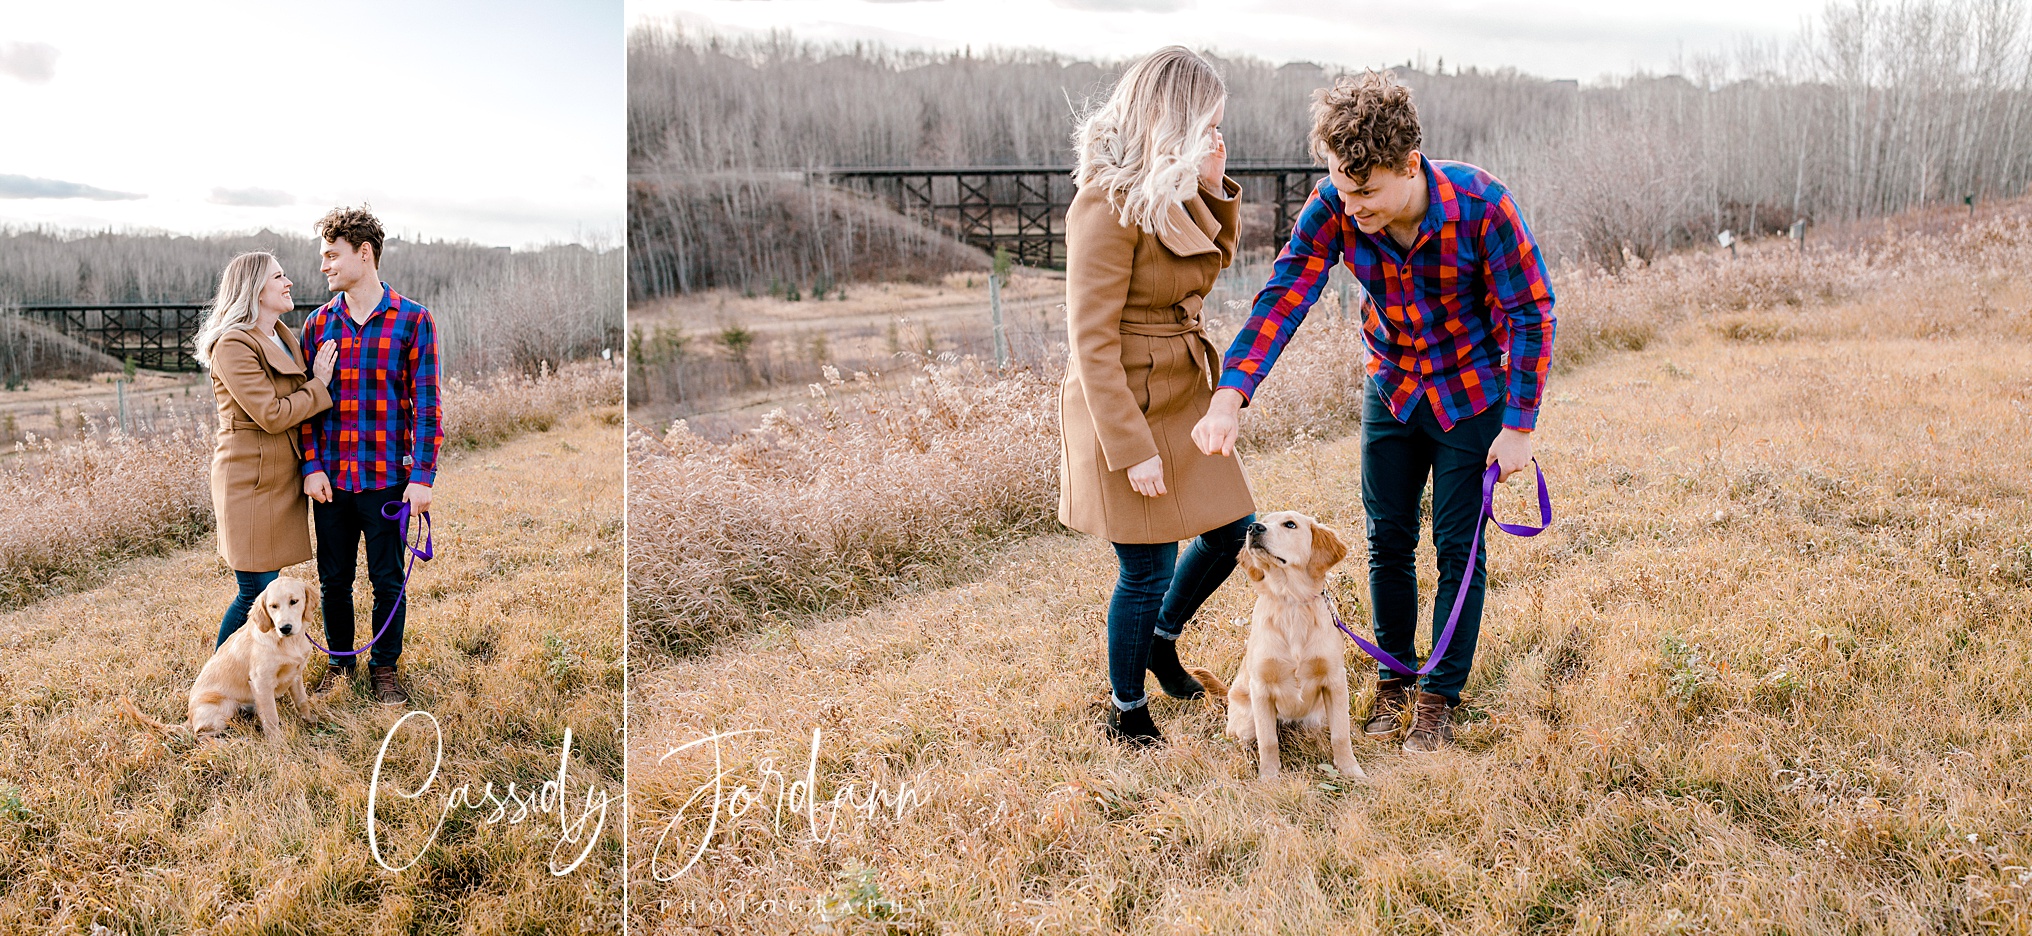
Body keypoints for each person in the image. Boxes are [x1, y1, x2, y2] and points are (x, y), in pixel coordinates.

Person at [1193, 70, 1557, 753]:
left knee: (1458, 551)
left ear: (1409, 166)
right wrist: (1230, 394)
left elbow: (1531, 314)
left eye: (1365, 190)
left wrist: (1519, 427)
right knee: (1387, 541)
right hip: (1391, 387)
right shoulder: (1334, 204)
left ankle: (1438, 700)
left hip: (1471, 398)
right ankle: (1392, 680)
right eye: (1338, 183)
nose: (1350, 204)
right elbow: (1284, 295)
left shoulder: (1483, 206)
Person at [1061, 46, 1256, 746]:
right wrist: (1131, 449)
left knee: (1232, 529)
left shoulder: (1171, 190)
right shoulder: (1104, 204)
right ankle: (1126, 710)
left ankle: (1162, 640)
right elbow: (1091, 340)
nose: (1216, 136)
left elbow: (1212, 262)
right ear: (1174, 119)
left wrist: (1213, 181)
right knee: (1146, 566)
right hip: (1125, 400)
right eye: (1208, 127)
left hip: (1183, 384)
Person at [299, 207, 442, 706]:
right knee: (333, 580)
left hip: (388, 480)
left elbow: (427, 406)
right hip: (333, 480)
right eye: (323, 257)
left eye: (332, 255)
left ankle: (385, 669)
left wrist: (422, 476)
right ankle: (341, 665)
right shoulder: (317, 325)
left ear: (365, 253)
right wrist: (311, 465)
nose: (324, 266)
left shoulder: (414, 320)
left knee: (386, 580)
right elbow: (308, 409)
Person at [195, 252, 337, 649]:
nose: (288, 282)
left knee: (266, 586)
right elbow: (271, 415)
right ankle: (220, 682)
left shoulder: (281, 335)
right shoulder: (233, 345)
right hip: (249, 480)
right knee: (254, 594)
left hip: (278, 476)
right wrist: (320, 383)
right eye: (279, 276)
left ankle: (256, 675)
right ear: (256, 289)